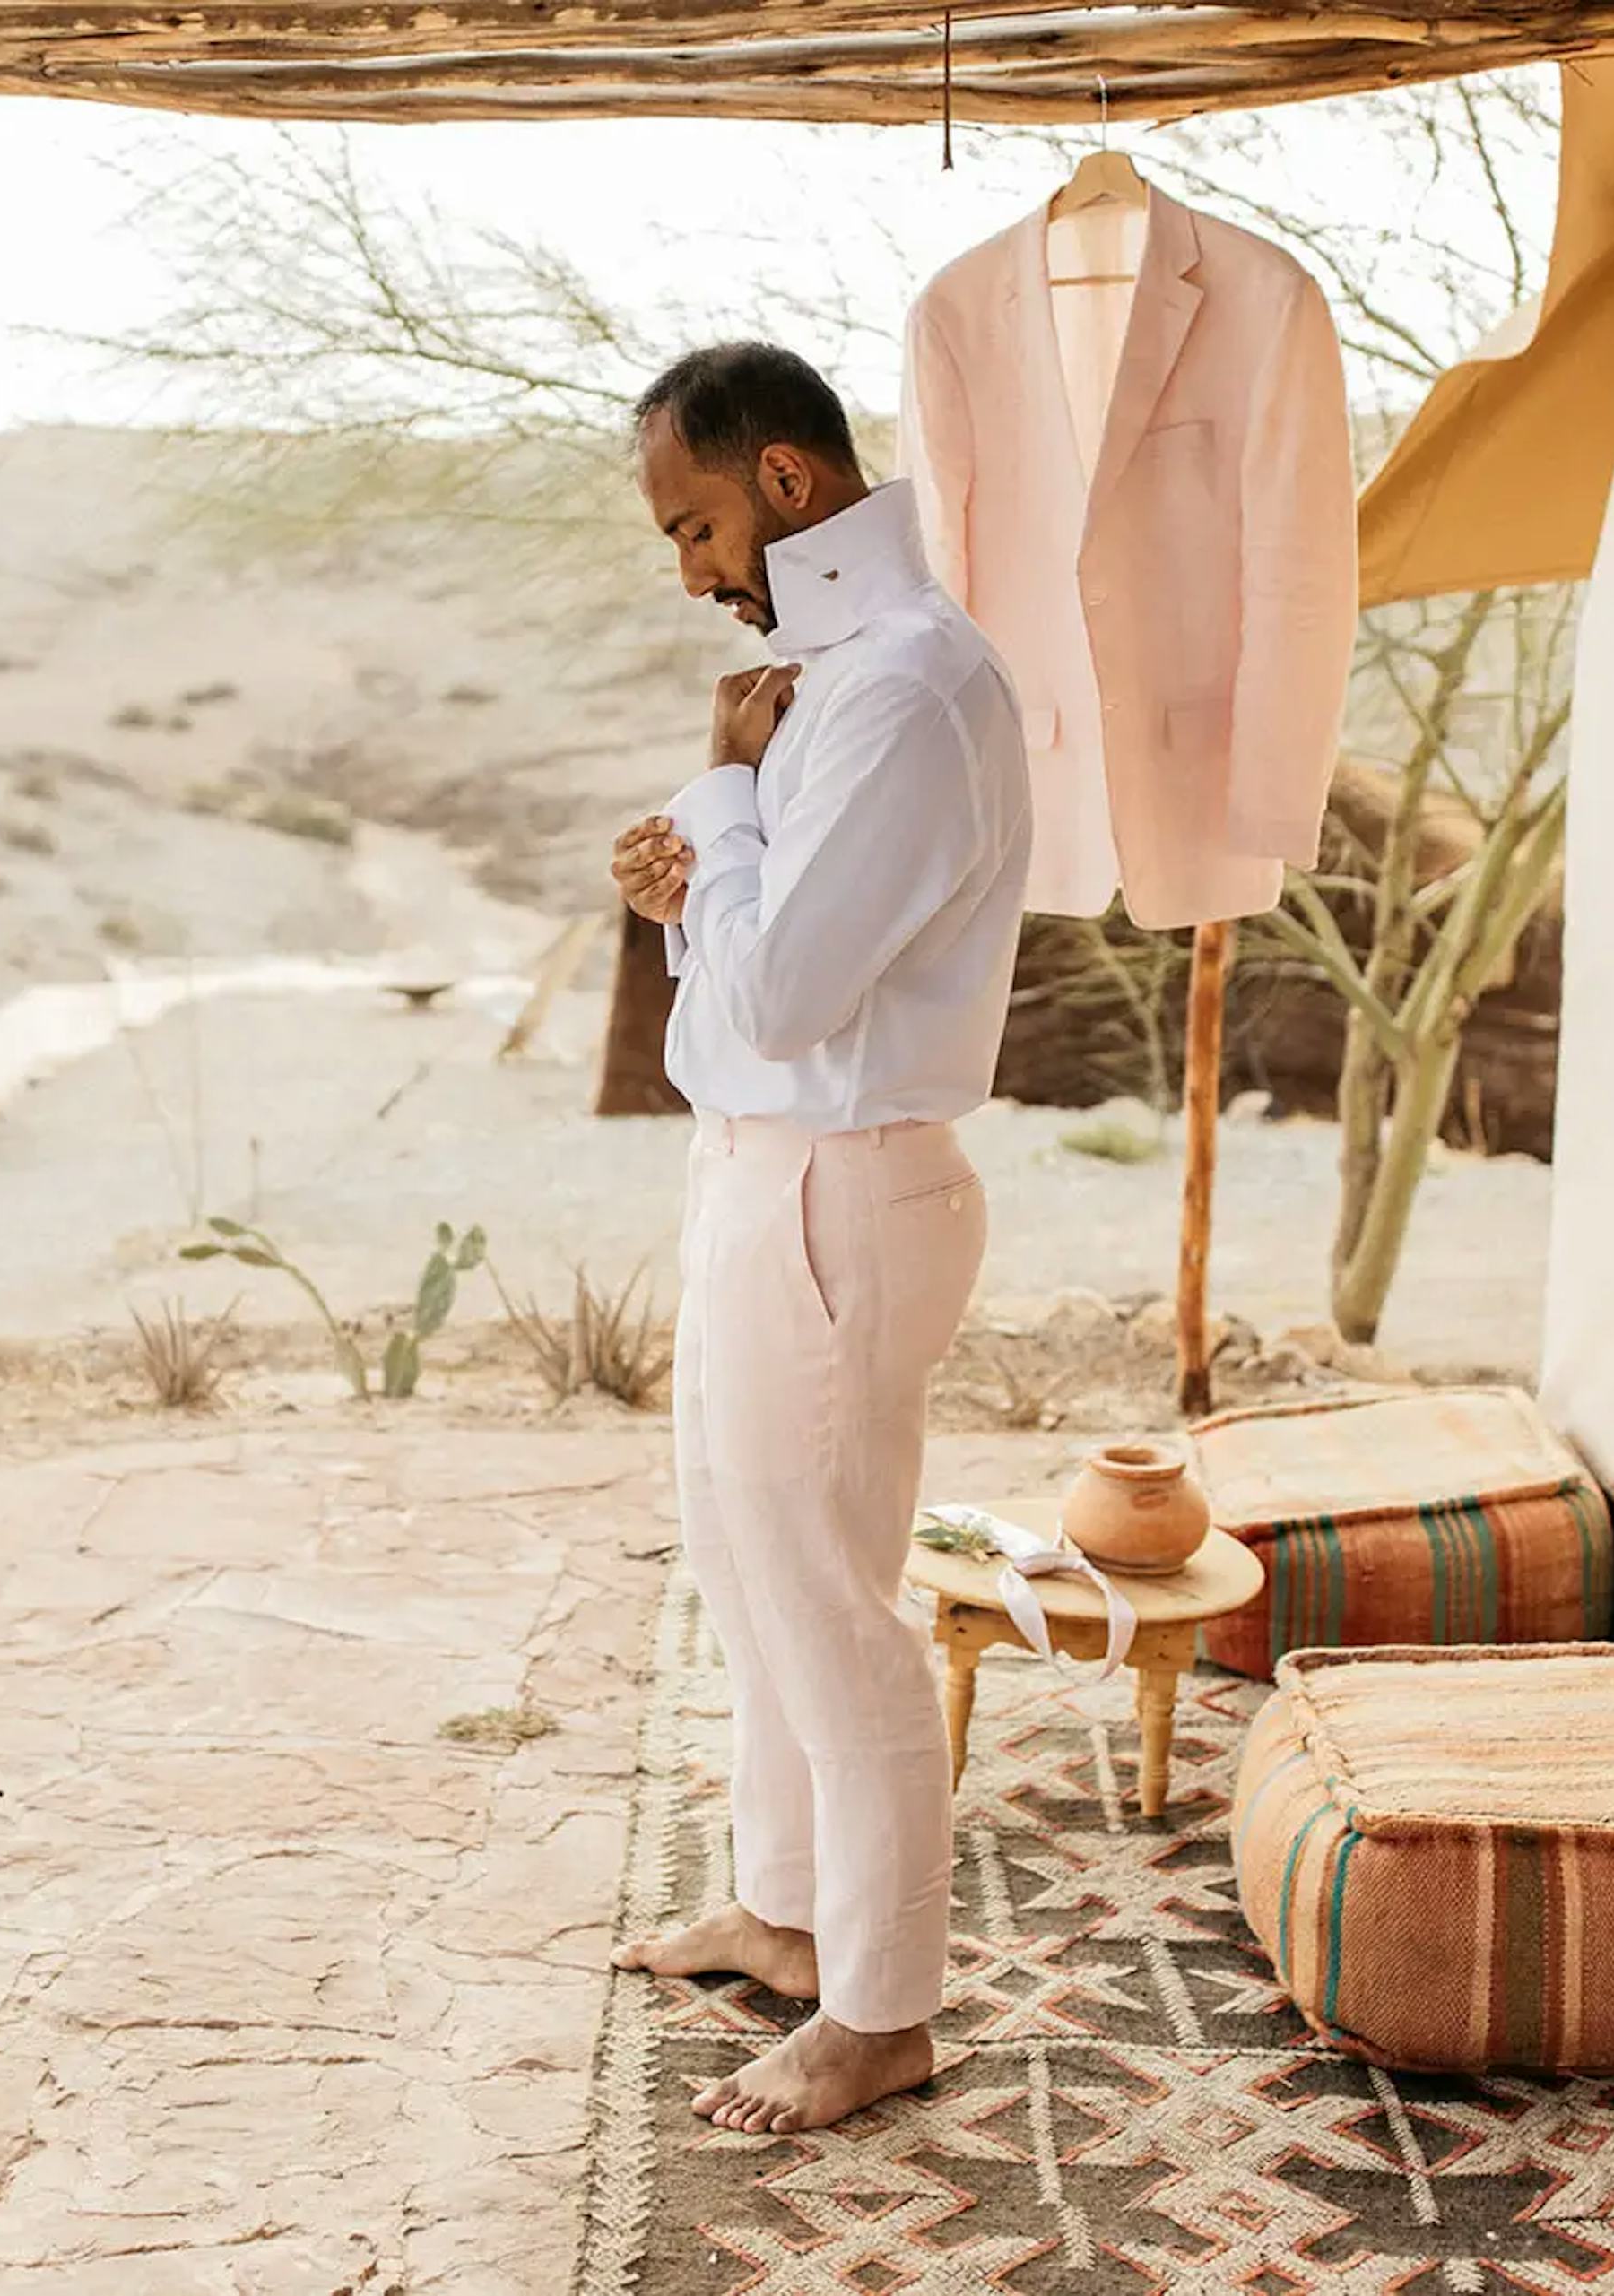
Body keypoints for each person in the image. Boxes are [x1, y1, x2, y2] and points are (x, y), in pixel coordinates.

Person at [603, 342, 1033, 2134]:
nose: (691, 570)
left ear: (787, 482)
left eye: (696, 523)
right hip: (767, 1172)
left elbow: (779, 1000)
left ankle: (884, 2008)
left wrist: (719, 818)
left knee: (831, 1603)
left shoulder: (906, 691)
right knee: (744, 1563)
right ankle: (785, 1919)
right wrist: (703, 873)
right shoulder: (832, 686)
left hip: (843, 1189)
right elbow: (748, 1006)